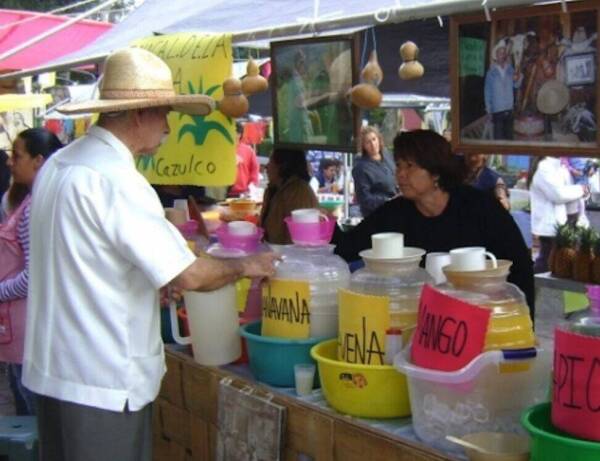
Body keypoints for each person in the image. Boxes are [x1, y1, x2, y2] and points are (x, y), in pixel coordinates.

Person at [23, 47, 277, 461]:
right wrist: (250, 264)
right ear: (139, 114)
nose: (169, 127)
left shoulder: (59, 164)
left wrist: (144, 283)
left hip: (55, 371)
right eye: (164, 114)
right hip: (102, 380)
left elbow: (84, 262)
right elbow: (191, 275)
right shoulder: (116, 178)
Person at [333, 129, 535, 319]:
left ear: (436, 172)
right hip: (419, 323)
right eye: (399, 165)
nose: (400, 174)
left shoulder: (480, 208)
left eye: (409, 166)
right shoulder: (394, 213)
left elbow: (520, 268)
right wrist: (323, 224)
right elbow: (346, 247)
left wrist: (525, 324)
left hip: (481, 320)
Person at [0, 128, 62, 416]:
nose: (10, 162)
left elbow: (33, 275)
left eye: (17, 155)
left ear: (38, 161)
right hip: (21, 330)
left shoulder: (34, 206)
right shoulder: (31, 200)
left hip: (26, 332)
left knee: (32, 417)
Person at [530, 156, 588, 273]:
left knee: (558, 263)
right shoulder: (545, 167)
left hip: (564, 223)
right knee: (548, 263)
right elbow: (558, 195)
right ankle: (532, 287)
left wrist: (583, 190)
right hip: (551, 225)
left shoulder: (561, 165)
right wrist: (581, 189)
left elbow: (569, 189)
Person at [260, 147, 318, 244]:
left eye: (271, 161)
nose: (267, 166)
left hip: (289, 255)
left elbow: (297, 238)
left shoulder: (299, 191)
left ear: (282, 166)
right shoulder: (273, 189)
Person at [352, 125, 397, 217]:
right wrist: (387, 201)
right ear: (363, 146)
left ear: (379, 139)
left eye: (374, 139)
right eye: (368, 142)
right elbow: (364, 199)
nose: (373, 144)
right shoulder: (361, 168)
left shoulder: (388, 155)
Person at [484, 39, 522, 140]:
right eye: (500, 53)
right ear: (496, 55)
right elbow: (487, 92)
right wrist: (488, 110)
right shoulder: (491, 72)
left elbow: (516, 85)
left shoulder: (510, 69)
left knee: (509, 138)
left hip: (509, 110)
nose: (502, 55)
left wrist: (519, 78)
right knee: (499, 139)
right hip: (497, 111)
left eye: (504, 53)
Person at [229, 121, 259, 197]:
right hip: (222, 193)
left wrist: (252, 186)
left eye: (231, 131)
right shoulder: (219, 149)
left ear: (239, 134)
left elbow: (254, 170)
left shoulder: (248, 150)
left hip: (242, 193)